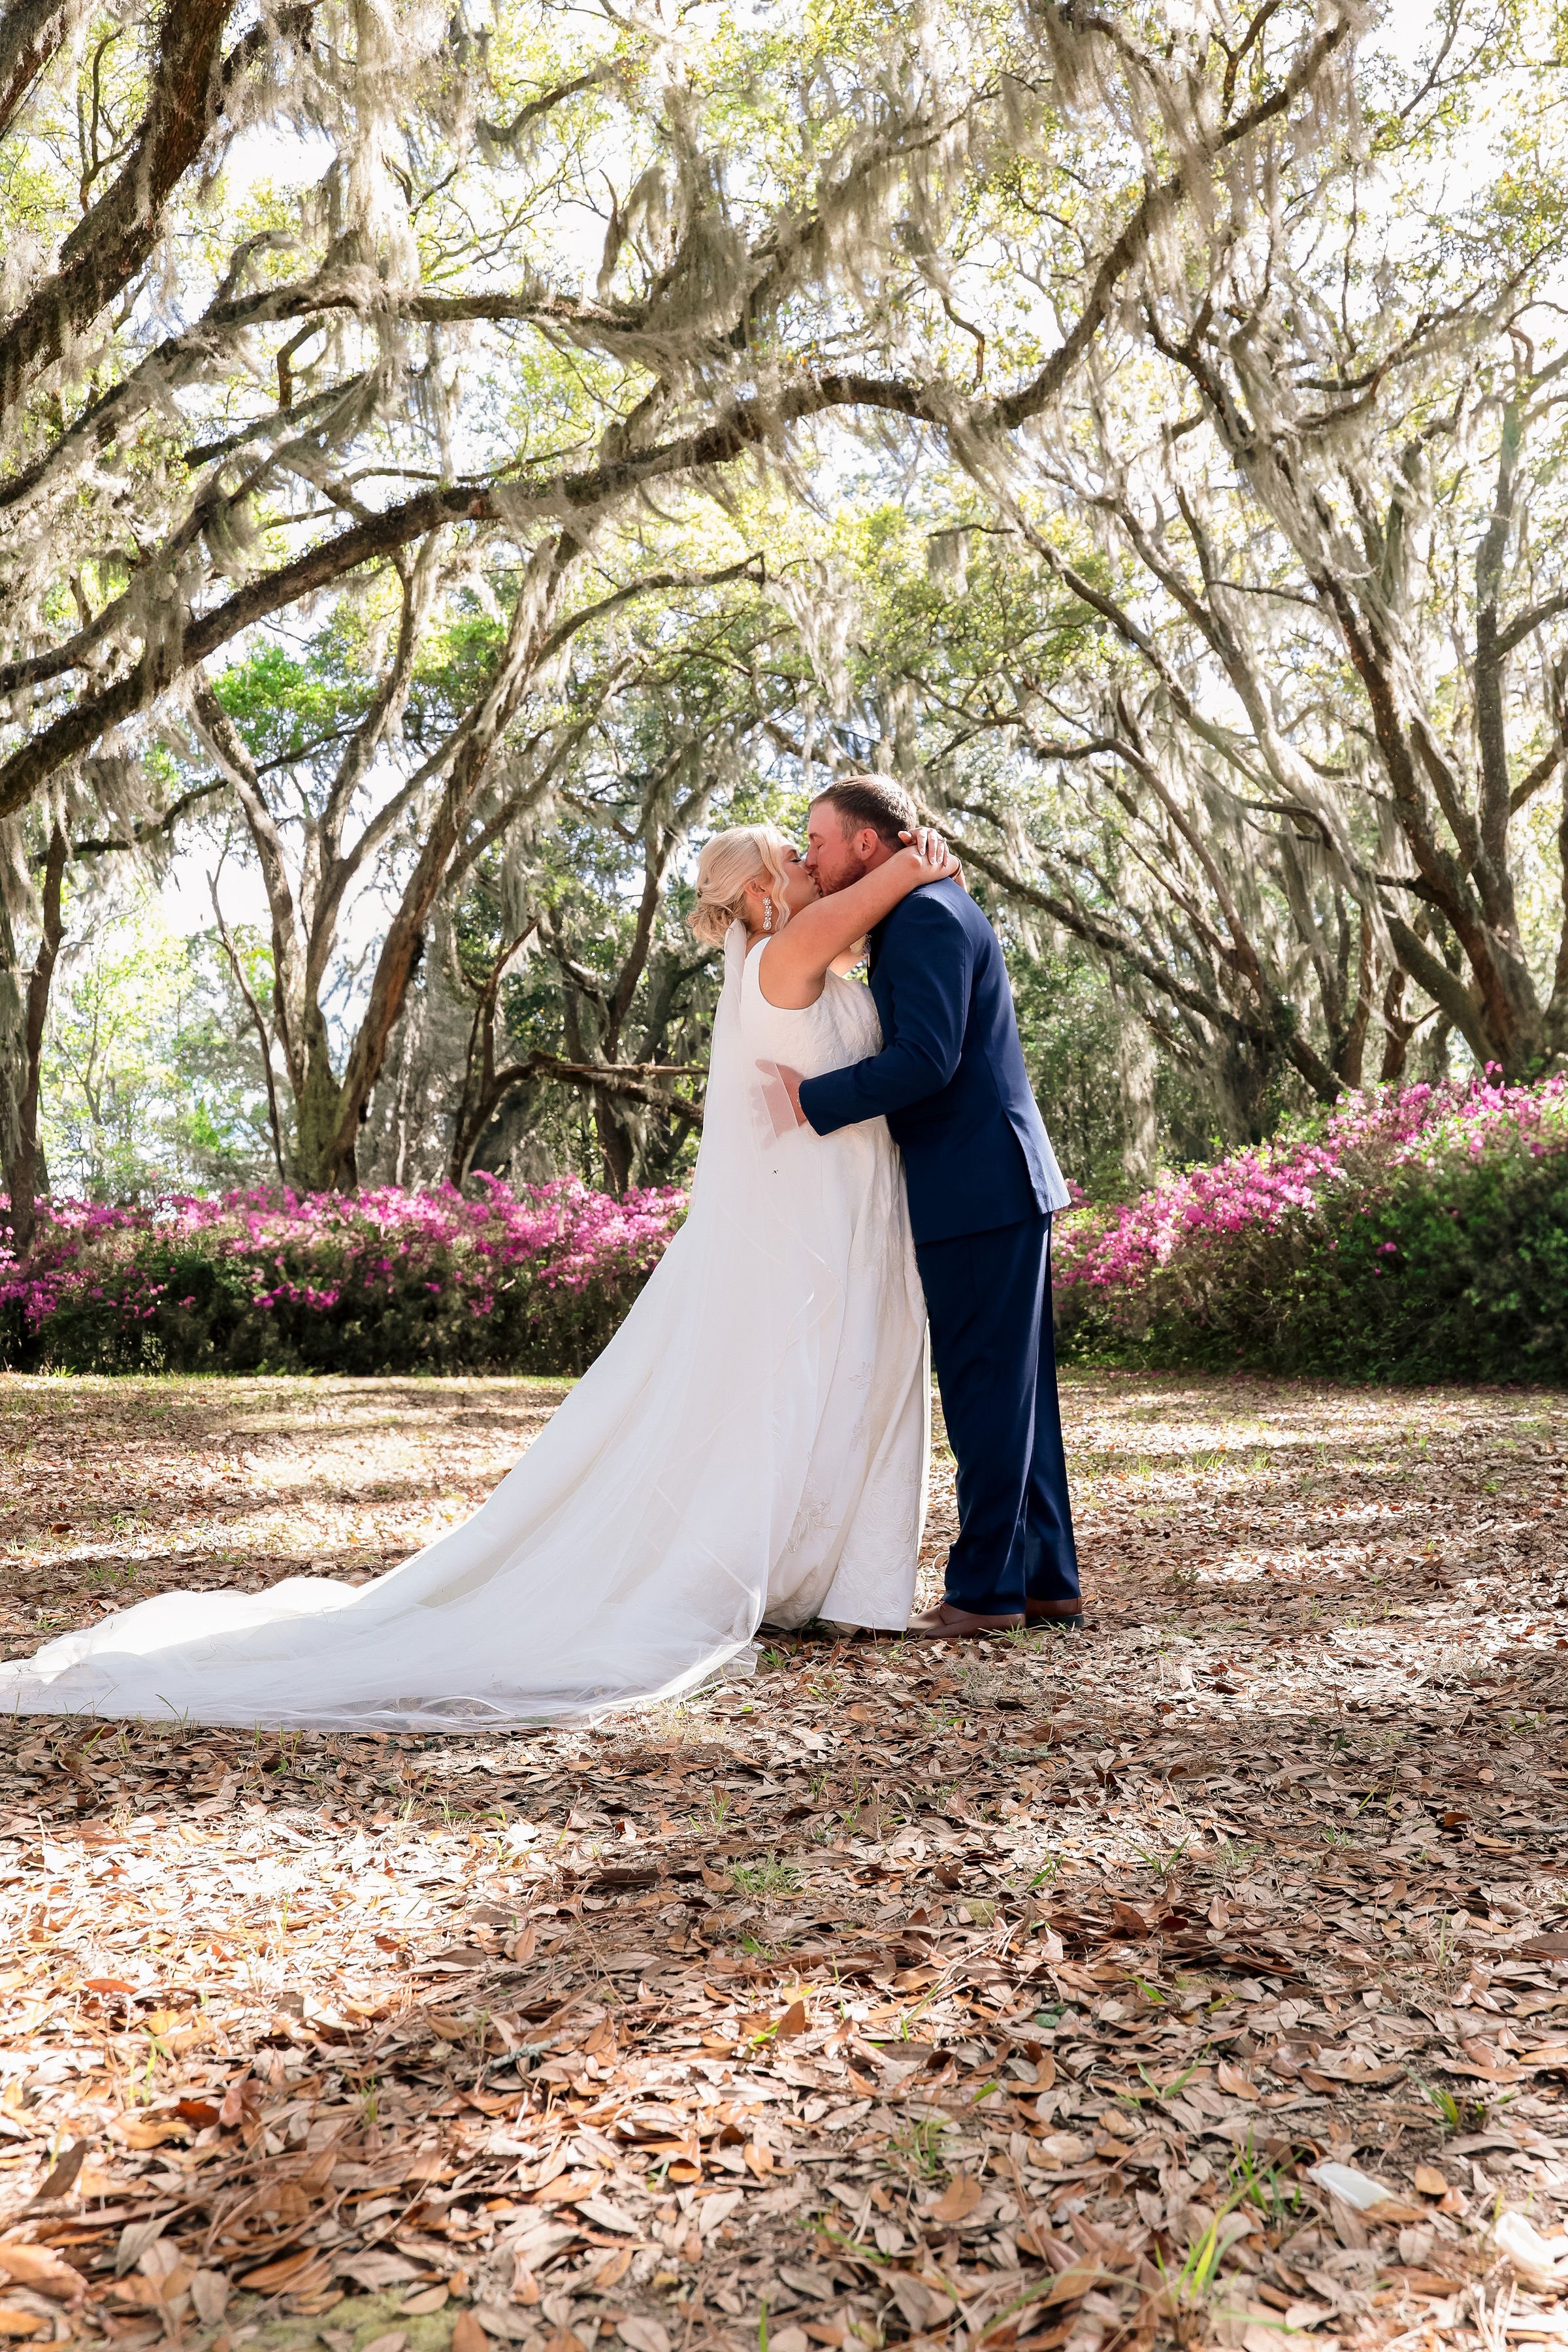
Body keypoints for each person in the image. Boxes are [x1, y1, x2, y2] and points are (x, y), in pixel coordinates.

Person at [0, 823, 955, 1729]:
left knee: (815, 1379)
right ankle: (761, 1567)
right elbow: (881, 893)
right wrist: (920, 857)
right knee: (786, 1380)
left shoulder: (793, 958)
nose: (808, 863)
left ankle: (805, 1565)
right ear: (757, 891)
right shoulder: (783, 954)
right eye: (794, 856)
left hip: (842, 1199)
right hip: (815, 1212)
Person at [776, 774, 1082, 1640]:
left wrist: (815, 1099)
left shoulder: (923, 920)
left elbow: (927, 1060)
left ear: (868, 844)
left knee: (986, 1392)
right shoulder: (920, 908)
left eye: (820, 841)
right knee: (1016, 1394)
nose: (810, 856)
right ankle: (1047, 1581)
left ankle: (984, 1593)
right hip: (989, 1181)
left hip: (978, 1184)